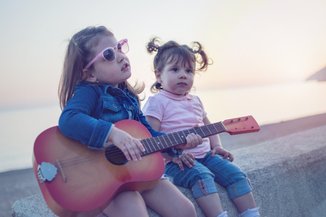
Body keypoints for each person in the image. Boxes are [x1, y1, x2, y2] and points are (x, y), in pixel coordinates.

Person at [58, 26, 203, 217]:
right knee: (135, 211)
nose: (120, 56)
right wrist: (112, 133)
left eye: (119, 47)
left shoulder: (129, 97)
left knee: (186, 211)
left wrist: (178, 143)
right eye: (109, 54)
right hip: (107, 180)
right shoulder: (90, 92)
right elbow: (68, 119)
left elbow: (148, 133)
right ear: (90, 74)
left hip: (137, 172)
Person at [143, 37, 260, 217]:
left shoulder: (195, 101)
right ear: (159, 75)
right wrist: (174, 155)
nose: (183, 75)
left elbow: (209, 126)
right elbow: (150, 137)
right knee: (202, 176)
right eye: (175, 69)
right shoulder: (157, 102)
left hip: (205, 156)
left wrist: (217, 146)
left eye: (189, 71)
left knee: (236, 175)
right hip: (176, 162)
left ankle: (251, 214)